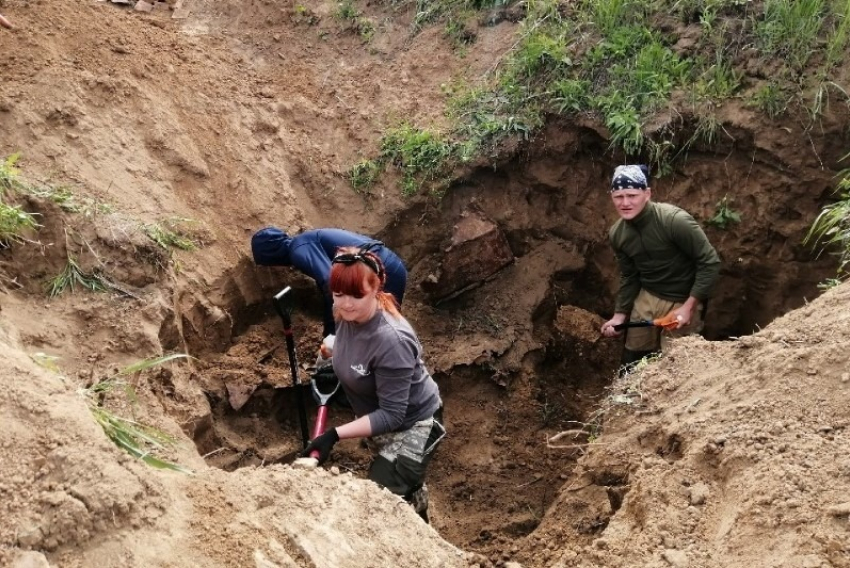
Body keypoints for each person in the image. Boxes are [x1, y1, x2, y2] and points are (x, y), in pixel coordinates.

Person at [300, 246, 445, 523]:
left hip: (417, 424)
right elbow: (338, 341)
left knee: (379, 497)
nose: (346, 303)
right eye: (338, 293)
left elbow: (392, 414)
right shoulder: (343, 311)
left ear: (376, 286)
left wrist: (333, 435)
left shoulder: (392, 340)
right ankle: (418, 514)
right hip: (381, 423)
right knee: (401, 484)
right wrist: (328, 361)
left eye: (357, 294)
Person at [600, 164, 721, 370]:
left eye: (632, 195)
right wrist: (620, 315)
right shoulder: (618, 234)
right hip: (647, 295)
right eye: (619, 196)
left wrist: (689, 306)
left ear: (647, 193)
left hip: (683, 297)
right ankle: (625, 397)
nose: (625, 203)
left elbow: (710, 262)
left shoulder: (674, 221)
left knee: (677, 365)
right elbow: (630, 276)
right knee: (633, 359)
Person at [251, 227, 408, 337]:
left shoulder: (298, 249)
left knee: (382, 333)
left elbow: (330, 283)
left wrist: (331, 333)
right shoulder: (304, 242)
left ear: (271, 255)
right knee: (379, 331)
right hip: (386, 266)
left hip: (384, 270)